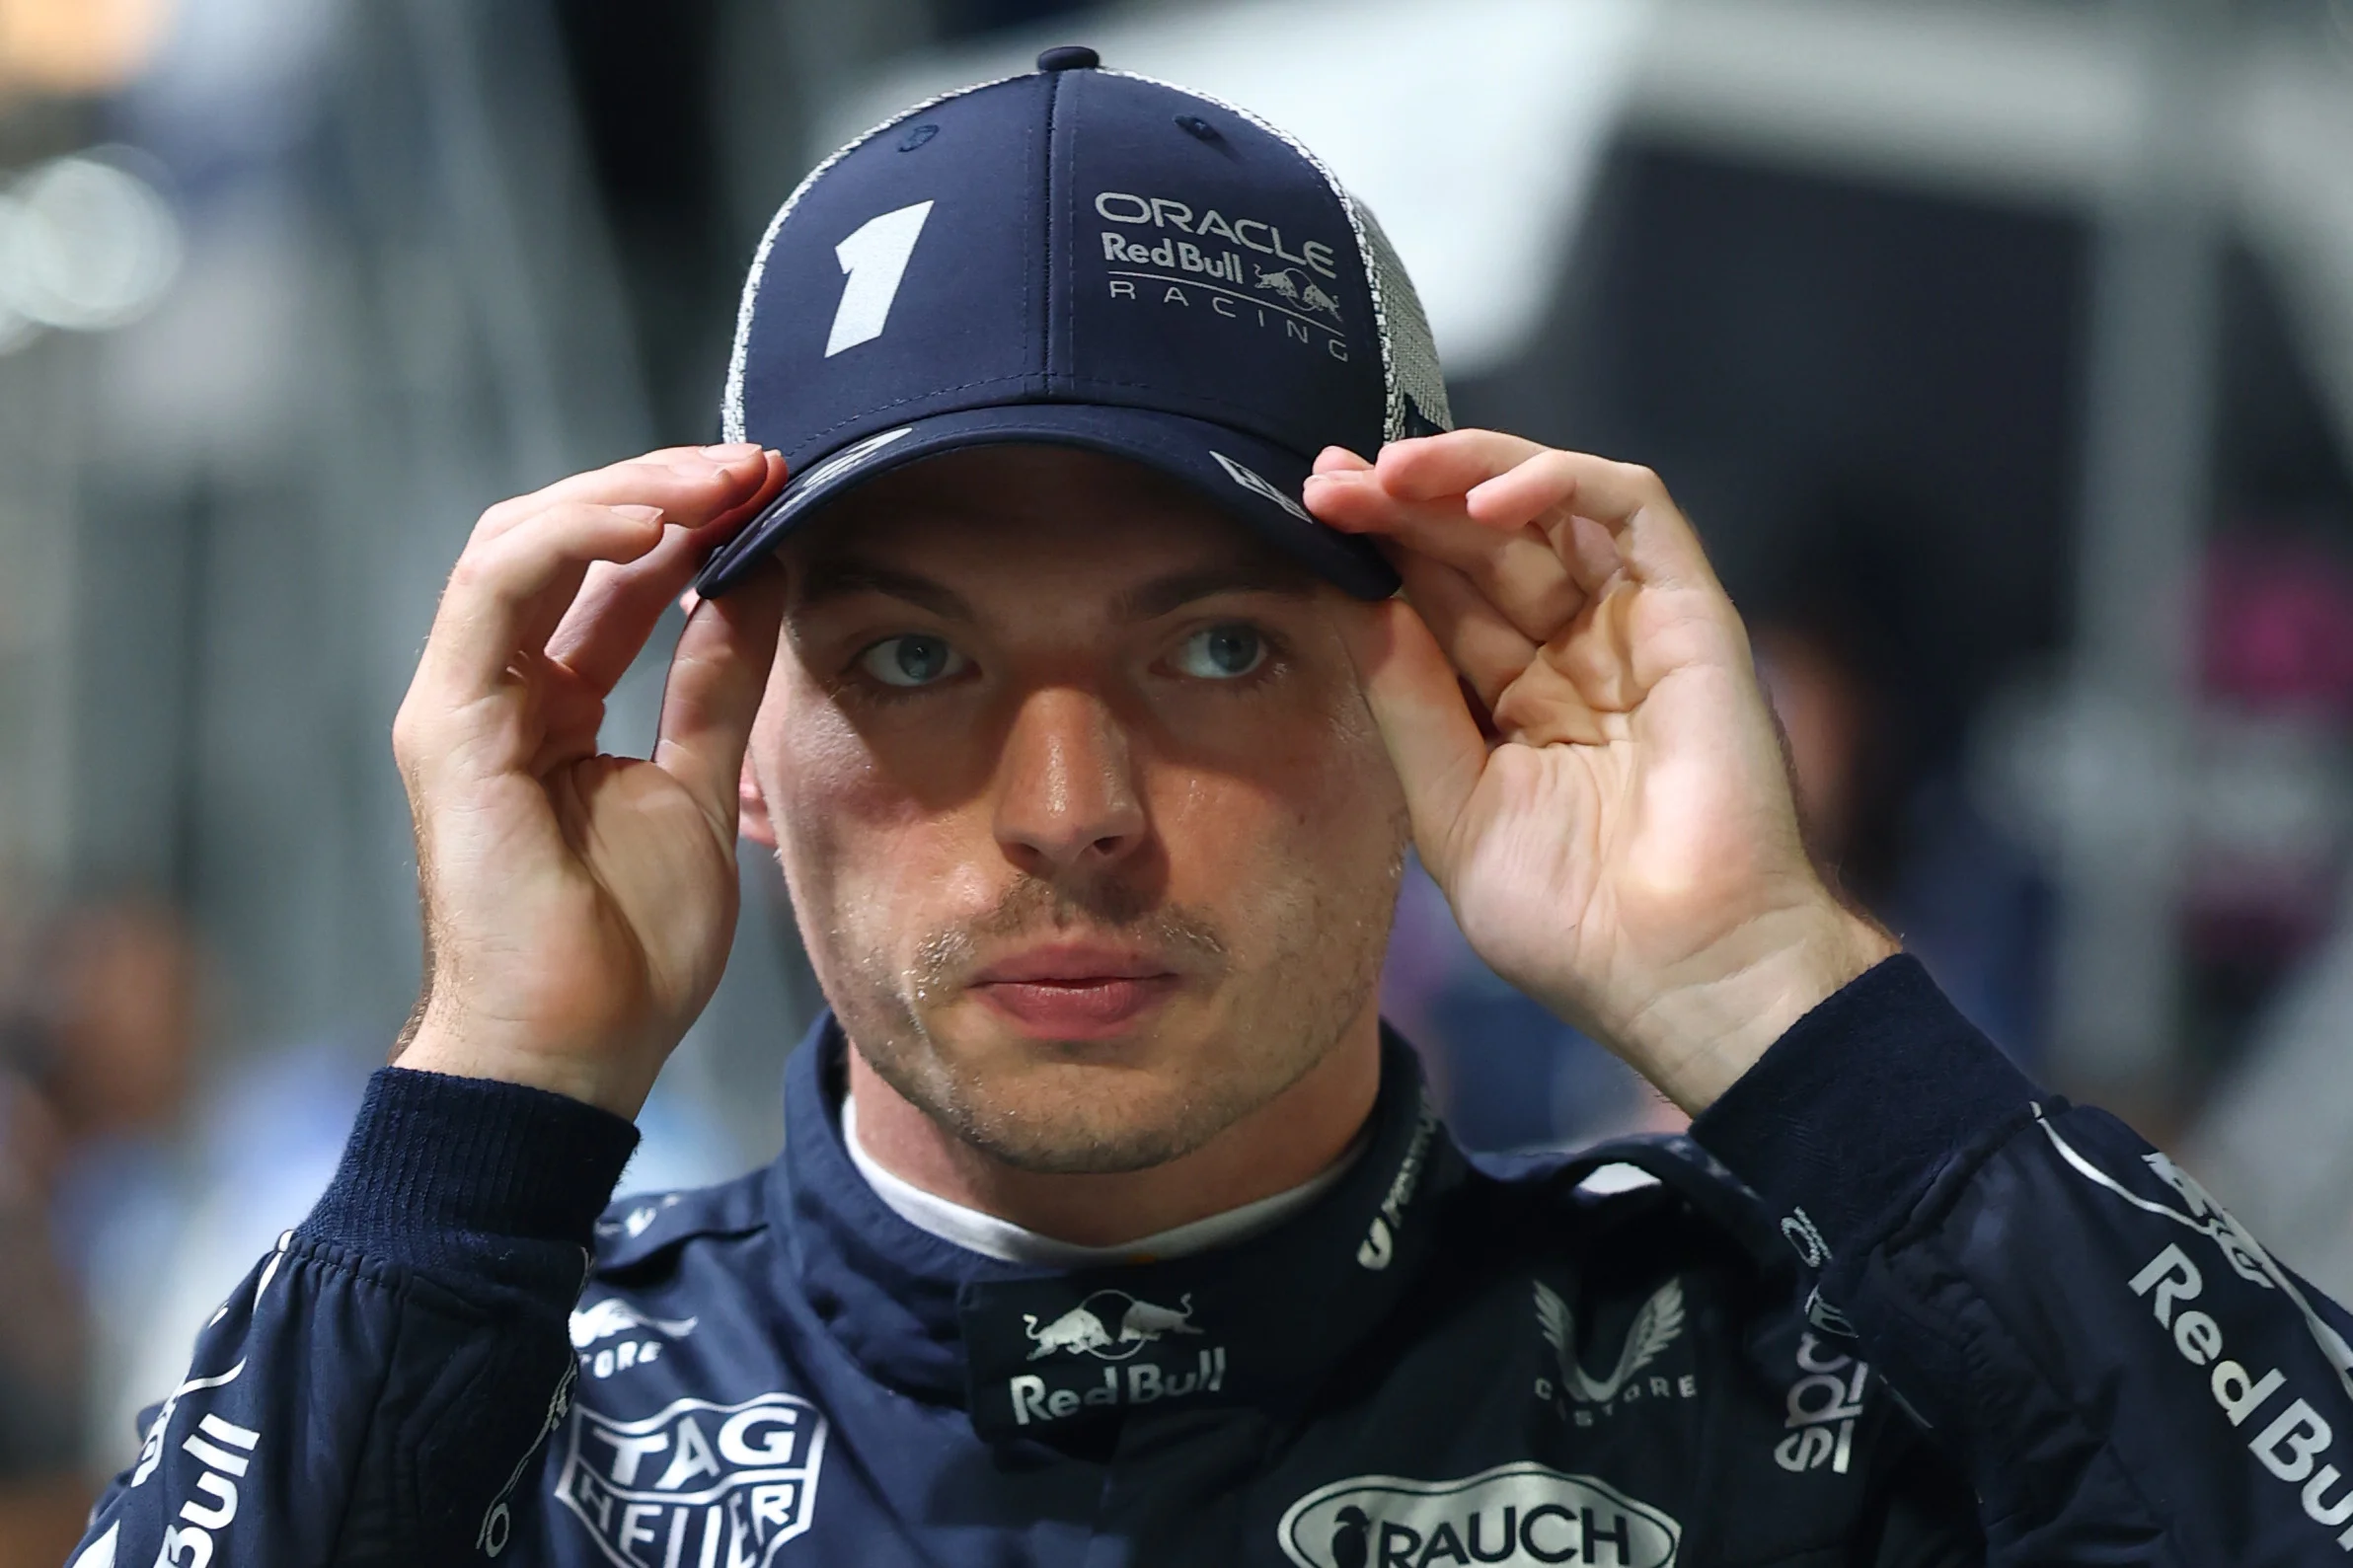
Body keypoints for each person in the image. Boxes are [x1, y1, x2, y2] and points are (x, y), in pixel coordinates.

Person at [72, 49, 2353, 1568]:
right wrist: (496, 1088)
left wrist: (1780, 995)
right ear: (740, 734)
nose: (1071, 810)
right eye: (916, 659)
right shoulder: (515, 1428)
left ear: (1432, 689)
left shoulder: (1794, 1394)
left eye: (1217, 650)